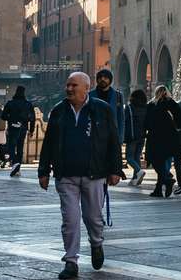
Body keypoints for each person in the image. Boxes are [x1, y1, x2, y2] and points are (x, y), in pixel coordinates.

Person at [39, 72, 124, 280]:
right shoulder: (58, 111)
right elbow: (49, 142)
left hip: (94, 173)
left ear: (86, 88)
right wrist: (43, 171)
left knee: (93, 217)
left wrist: (115, 169)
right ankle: (70, 261)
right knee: (70, 219)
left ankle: (96, 243)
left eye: (73, 85)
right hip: (65, 174)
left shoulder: (102, 110)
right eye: (68, 85)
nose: (69, 89)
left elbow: (113, 140)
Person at [143, 85, 181, 198]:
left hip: (155, 137)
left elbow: (146, 122)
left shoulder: (151, 105)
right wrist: (178, 128)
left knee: (156, 161)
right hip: (169, 137)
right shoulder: (171, 103)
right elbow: (180, 118)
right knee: (161, 162)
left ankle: (162, 185)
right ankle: (164, 183)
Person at [88, 70, 128, 168]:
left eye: (105, 77)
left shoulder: (118, 96)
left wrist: (120, 138)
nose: (102, 79)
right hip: (95, 135)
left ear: (110, 80)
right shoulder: (90, 95)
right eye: (100, 77)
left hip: (112, 135)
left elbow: (121, 118)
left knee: (110, 164)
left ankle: (105, 182)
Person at [2, 86, 36, 176]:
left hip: (12, 127)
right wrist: (31, 130)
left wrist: (11, 119)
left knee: (11, 146)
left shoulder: (10, 103)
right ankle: (18, 168)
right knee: (20, 147)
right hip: (23, 127)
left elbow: (3, 116)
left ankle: (14, 162)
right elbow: (33, 118)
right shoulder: (28, 104)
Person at [125, 88, 148, 186]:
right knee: (137, 156)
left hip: (132, 135)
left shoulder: (129, 108)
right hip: (142, 136)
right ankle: (136, 179)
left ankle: (139, 171)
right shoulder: (145, 108)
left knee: (129, 157)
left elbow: (125, 121)